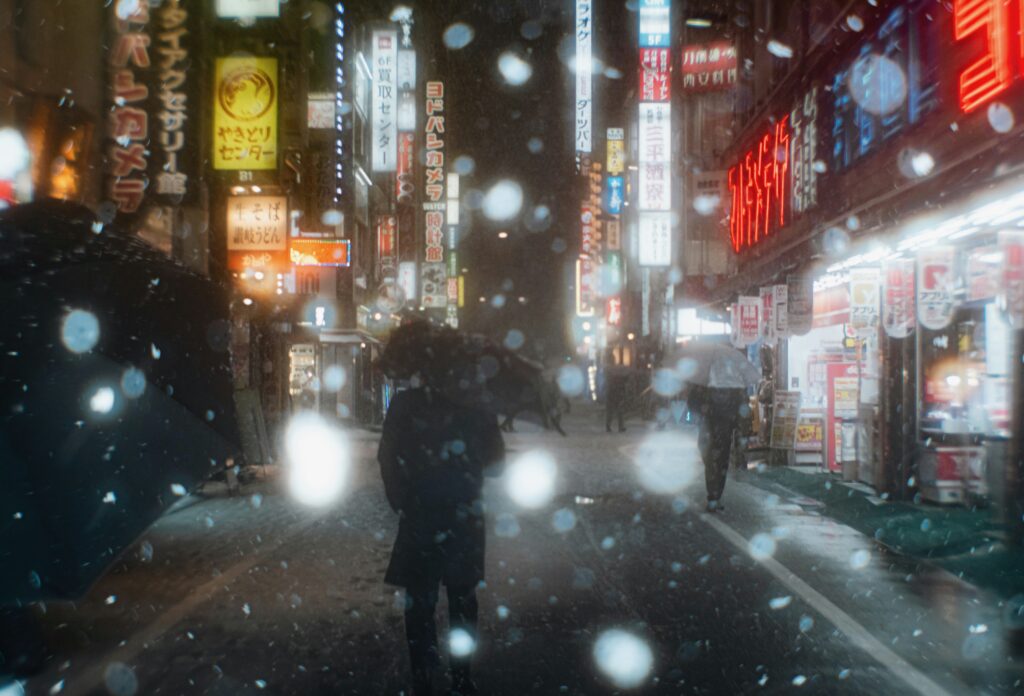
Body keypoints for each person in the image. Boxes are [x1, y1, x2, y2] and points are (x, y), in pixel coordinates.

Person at [378, 385, 505, 696]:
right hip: (464, 514)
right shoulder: (476, 401)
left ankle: (423, 677)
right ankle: (461, 678)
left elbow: (387, 456)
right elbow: (497, 464)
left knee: (420, 603)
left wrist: (402, 500)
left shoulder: (406, 402)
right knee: (462, 600)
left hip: (421, 513)